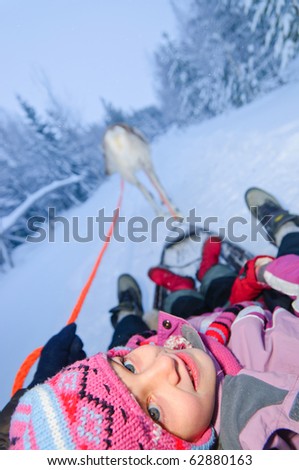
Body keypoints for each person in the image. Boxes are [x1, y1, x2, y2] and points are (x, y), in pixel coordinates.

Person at [2, 189, 299, 450]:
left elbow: (136, 352)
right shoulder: (264, 430)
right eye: (153, 412)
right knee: (230, 280)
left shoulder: (168, 363)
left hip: (196, 328)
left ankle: (135, 308)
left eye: (127, 366)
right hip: (258, 311)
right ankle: (283, 230)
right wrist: (265, 273)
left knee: (148, 324)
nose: (164, 365)